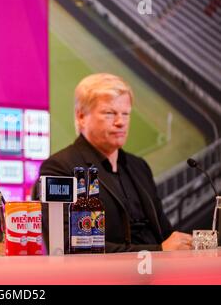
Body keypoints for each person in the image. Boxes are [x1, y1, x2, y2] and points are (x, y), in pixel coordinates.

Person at [37, 73, 192, 252]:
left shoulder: (139, 166)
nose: (121, 122)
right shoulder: (59, 168)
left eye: (125, 114)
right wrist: (158, 252)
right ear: (81, 117)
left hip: (160, 275)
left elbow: (165, 233)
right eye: (109, 113)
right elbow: (68, 245)